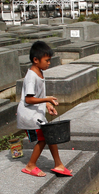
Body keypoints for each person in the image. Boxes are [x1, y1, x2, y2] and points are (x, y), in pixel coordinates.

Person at [16, 40, 72, 178]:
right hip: (29, 115)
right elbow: (28, 99)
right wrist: (46, 99)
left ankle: (58, 164)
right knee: (43, 138)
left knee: (50, 135)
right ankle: (30, 166)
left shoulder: (39, 72)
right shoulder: (31, 77)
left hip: (36, 113)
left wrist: (47, 105)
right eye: (46, 60)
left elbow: (37, 96)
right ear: (36, 60)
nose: (49, 63)